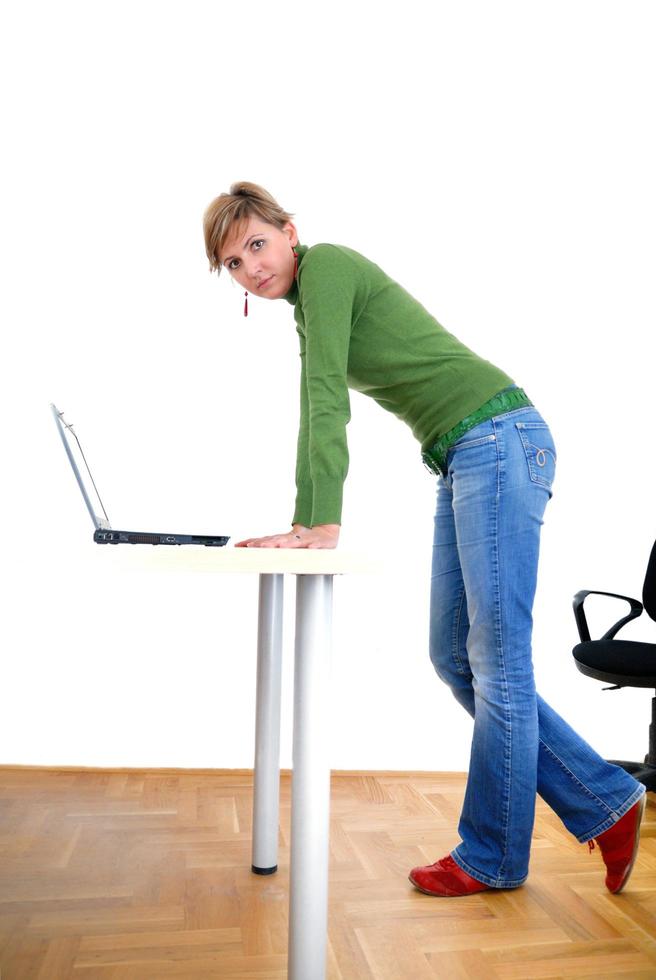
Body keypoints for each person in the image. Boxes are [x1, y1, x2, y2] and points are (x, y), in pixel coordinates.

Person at [202, 181, 647, 896]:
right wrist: (307, 518)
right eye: (232, 262)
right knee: (455, 657)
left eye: (256, 244)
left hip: (497, 439)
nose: (251, 267)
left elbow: (323, 396)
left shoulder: (328, 269)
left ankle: (493, 856)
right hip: (465, 453)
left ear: (289, 230)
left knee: (497, 662)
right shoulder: (307, 307)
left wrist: (318, 520)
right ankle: (606, 800)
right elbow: (320, 391)